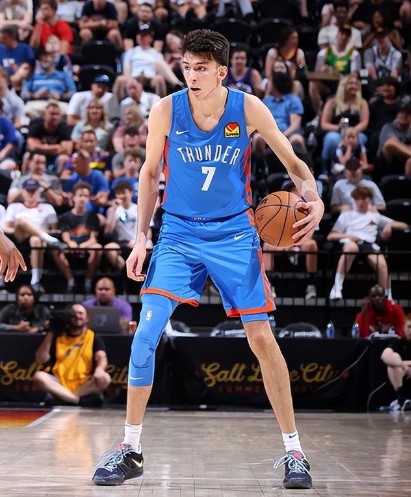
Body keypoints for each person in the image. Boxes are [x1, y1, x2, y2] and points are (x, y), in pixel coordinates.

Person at [92, 29, 324, 489]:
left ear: (221, 71)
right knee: (146, 332)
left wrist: (313, 196)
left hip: (235, 233)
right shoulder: (166, 109)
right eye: (186, 67)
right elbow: (149, 173)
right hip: (178, 233)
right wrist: (140, 237)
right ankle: (130, 448)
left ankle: (294, 452)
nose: (192, 76)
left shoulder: (248, 108)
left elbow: (294, 163)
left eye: (201, 68)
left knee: (261, 337)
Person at [327, 186, 408, 301]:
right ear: (355, 200)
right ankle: (337, 288)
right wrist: (347, 236)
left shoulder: (375, 216)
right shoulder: (346, 215)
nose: (361, 202)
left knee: (381, 263)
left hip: (368, 244)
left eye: (364, 199)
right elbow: (331, 236)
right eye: (358, 199)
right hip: (351, 241)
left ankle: (388, 297)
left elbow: (403, 225)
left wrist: (389, 225)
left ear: (369, 199)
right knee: (351, 248)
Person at [33, 303, 111, 406]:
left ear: (87, 318)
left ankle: (66, 398)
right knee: (39, 376)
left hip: (84, 384)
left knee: (106, 378)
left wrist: (99, 369)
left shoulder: (93, 337)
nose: (77, 316)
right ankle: (75, 400)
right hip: (59, 383)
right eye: (73, 313)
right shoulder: (58, 337)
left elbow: (101, 357)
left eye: (80, 313)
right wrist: (51, 332)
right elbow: (40, 360)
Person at [3, 178, 66, 293]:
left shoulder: (47, 208)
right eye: (28, 190)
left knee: (35, 240)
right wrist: (26, 230)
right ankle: (51, 240)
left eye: (33, 190)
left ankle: (35, 280)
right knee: (21, 221)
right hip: (19, 238)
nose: (31, 193)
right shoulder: (14, 207)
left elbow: (54, 230)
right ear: (22, 191)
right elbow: (6, 228)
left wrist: (35, 232)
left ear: (39, 191)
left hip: (39, 241)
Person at [380, 312, 411, 411]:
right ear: (403, 328)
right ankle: (401, 399)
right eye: (409, 327)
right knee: (393, 363)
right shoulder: (398, 342)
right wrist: (402, 365)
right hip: (401, 379)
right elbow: (385, 355)